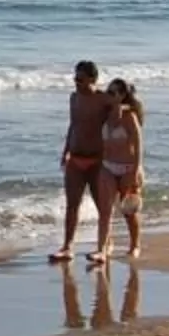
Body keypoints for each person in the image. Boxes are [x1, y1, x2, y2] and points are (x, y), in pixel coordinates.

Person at [50, 59, 110, 262]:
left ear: (93, 79)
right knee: (72, 204)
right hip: (76, 157)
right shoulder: (74, 98)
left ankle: (105, 244)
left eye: (81, 79)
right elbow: (73, 125)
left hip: (98, 160)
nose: (76, 83)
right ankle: (67, 246)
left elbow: (122, 118)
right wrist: (65, 151)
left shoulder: (104, 100)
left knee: (102, 205)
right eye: (75, 78)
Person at [92, 78, 145, 265]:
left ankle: (135, 245)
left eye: (113, 93)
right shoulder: (105, 115)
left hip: (128, 168)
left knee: (128, 211)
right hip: (108, 166)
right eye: (108, 91)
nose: (108, 95)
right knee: (105, 211)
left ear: (122, 96)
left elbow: (138, 146)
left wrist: (135, 171)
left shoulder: (129, 117)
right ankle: (101, 249)